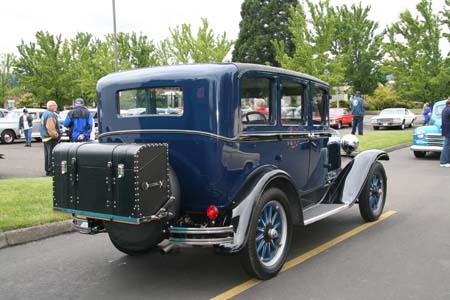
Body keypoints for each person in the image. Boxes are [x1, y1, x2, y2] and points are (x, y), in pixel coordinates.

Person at [40, 101, 61, 176]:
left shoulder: (45, 113)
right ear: (51, 106)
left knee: (47, 155)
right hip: (50, 138)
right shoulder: (50, 115)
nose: (56, 107)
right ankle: (51, 171)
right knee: (51, 155)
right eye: (55, 105)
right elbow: (50, 128)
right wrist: (56, 135)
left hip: (45, 138)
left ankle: (48, 170)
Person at [439, 98, 450, 167]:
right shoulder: (448, 110)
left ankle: (446, 161)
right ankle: (443, 162)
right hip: (448, 130)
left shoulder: (445, 109)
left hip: (446, 130)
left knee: (447, 146)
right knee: (446, 146)